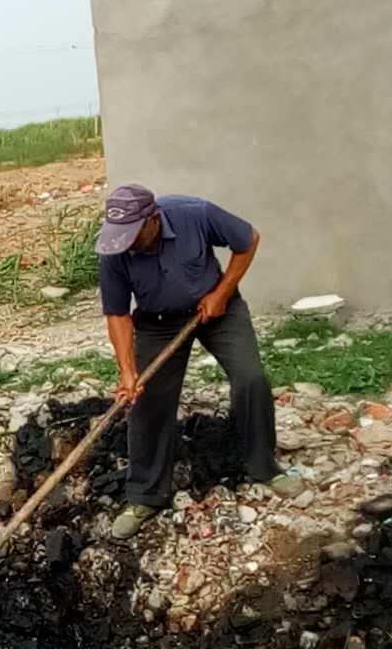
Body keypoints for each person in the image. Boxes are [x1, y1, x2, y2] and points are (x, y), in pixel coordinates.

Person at [96, 184, 304, 540]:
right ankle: (145, 495)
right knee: (148, 399)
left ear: (153, 219)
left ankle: (265, 468)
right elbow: (117, 314)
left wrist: (221, 293)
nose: (126, 243)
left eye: (133, 234)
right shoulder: (113, 249)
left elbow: (248, 240)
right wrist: (127, 371)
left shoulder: (195, 214)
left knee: (251, 378)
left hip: (217, 310)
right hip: (158, 322)